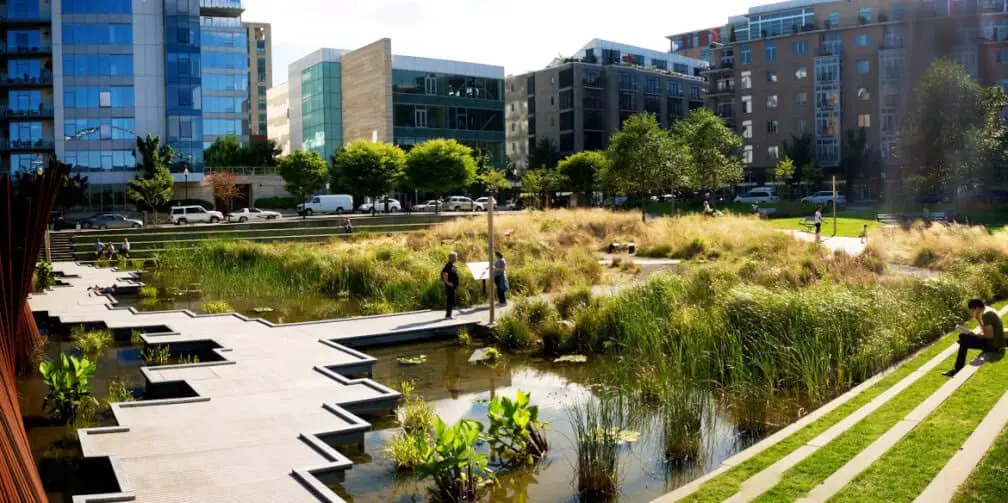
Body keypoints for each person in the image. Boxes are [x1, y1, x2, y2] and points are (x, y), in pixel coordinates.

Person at [944, 298, 1005, 377]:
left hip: (993, 346)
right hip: (996, 342)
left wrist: (976, 336)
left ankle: (956, 369)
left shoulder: (986, 315)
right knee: (963, 339)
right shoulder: (989, 310)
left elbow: (989, 335)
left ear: (976, 308)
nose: (972, 312)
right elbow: (987, 332)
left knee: (963, 339)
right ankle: (956, 369)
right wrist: (977, 319)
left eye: (972, 310)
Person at [441, 251, 459, 319]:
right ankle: (448, 315)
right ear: (451, 258)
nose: (456, 258)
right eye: (455, 257)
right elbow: (444, 274)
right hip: (449, 287)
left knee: (451, 300)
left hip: (453, 287)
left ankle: (449, 314)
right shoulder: (448, 266)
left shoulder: (453, 266)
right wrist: (448, 283)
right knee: (450, 300)